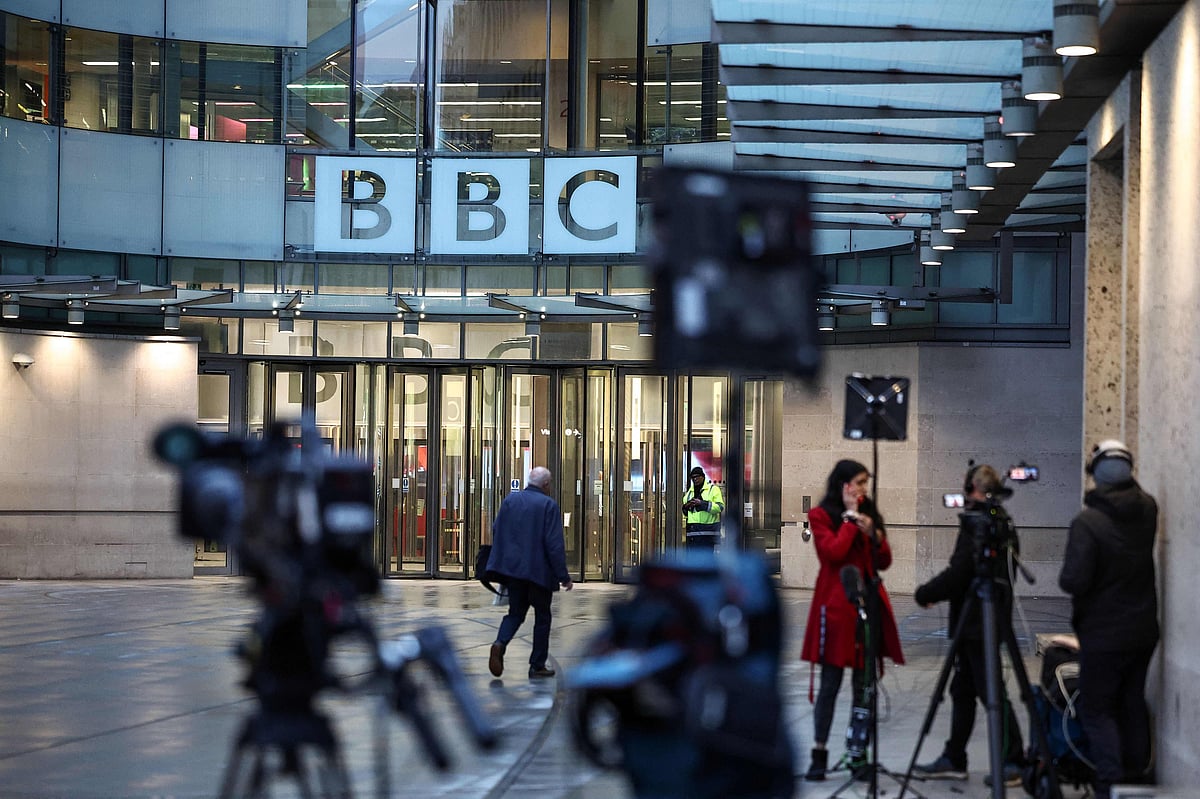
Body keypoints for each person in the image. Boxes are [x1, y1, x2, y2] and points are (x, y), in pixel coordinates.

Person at [913, 464, 1026, 787]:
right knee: (962, 690)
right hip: (979, 621)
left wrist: (926, 593)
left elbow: (960, 572)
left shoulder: (981, 526)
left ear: (973, 490)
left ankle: (1013, 760)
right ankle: (954, 758)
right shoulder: (1002, 522)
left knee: (992, 693)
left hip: (978, 623)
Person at [1059, 440, 1159, 799]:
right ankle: (1135, 778)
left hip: (1103, 633)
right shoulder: (1148, 509)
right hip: (1143, 628)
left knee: (1097, 709)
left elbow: (1073, 580)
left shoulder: (1088, 523)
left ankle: (1110, 783)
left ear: (1095, 475)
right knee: (1131, 701)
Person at [801, 459, 904, 781]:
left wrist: (874, 534)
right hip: (835, 609)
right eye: (858, 482)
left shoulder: (869, 513)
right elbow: (832, 553)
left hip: (866, 608)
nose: (863, 489)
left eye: (865, 483)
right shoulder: (820, 515)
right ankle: (819, 754)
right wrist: (848, 520)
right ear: (843, 484)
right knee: (829, 685)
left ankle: (858, 753)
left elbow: (884, 561)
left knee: (864, 686)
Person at [486, 466, 573, 679]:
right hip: (539, 573)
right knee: (543, 617)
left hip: (514, 572)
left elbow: (497, 528)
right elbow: (554, 544)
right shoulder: (548, 505)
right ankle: (537, 665)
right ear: (546, 484)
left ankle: (500, 643)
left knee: (515, 613)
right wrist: (563, 576)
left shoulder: (510, 500)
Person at [682, 465, 725, 549]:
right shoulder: (689, 493)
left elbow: (720, 507)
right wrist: (687, 506)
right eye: (693, 477)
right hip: (693, 533)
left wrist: (702, 504)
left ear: (703, 477)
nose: (695, 479)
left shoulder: (713, 489)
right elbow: (686, 513)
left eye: (697, 477)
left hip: (708, 533)